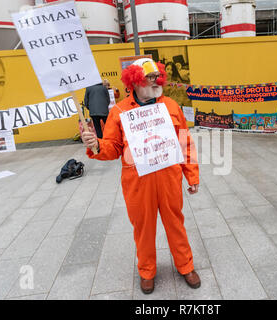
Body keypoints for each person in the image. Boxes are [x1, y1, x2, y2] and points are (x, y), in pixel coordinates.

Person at [81, 58, 201, 294]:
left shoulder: (171, 106)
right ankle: (147, 271)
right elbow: (113, 148)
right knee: (143, 229)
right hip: (137, 182)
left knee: (176, 224)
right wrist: (96, 145)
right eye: (150, 77)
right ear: (134, 81)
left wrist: (192, 176)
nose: (157, 81)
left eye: (158, 76)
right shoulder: (119, 111)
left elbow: (185, 142)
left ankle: (186, 266)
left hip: (169, 178)